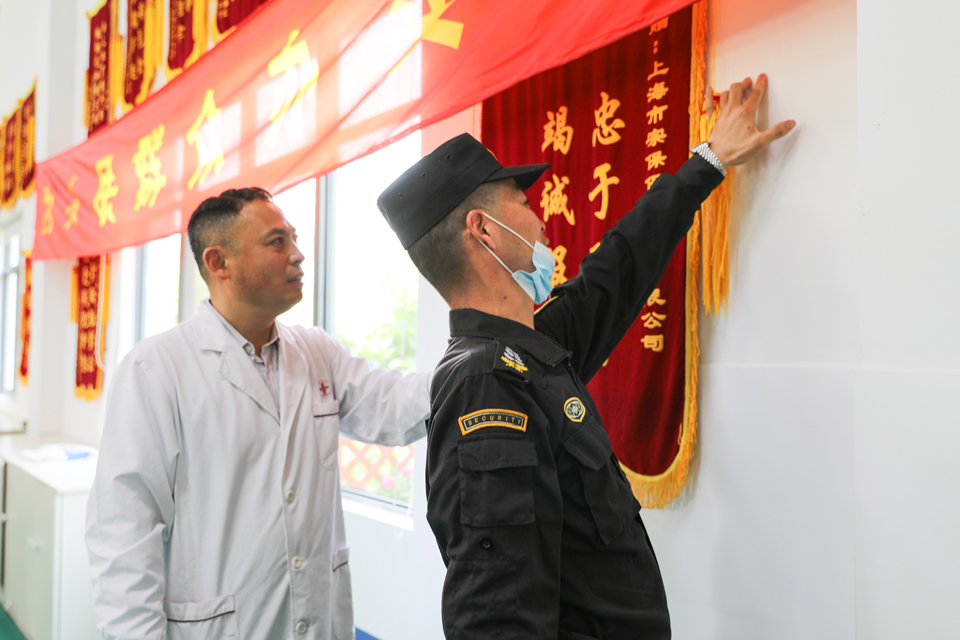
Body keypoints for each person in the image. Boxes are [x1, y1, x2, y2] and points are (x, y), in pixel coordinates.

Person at [376, 75, 795, 639]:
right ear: (484, 231)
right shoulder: (487, 384)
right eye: (524, 204)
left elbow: (616, 270)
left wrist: (709, 160)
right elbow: (498, 616)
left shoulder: (527, 350)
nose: (540, 220)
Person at [86, 187, 431, 640]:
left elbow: (392, 407)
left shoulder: (316, 351)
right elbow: (124, 532)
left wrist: (475, 364)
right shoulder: (156, 368)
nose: (298, 255)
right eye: (277, 242)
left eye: (294, 239)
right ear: (219, 262)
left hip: (317, 619)